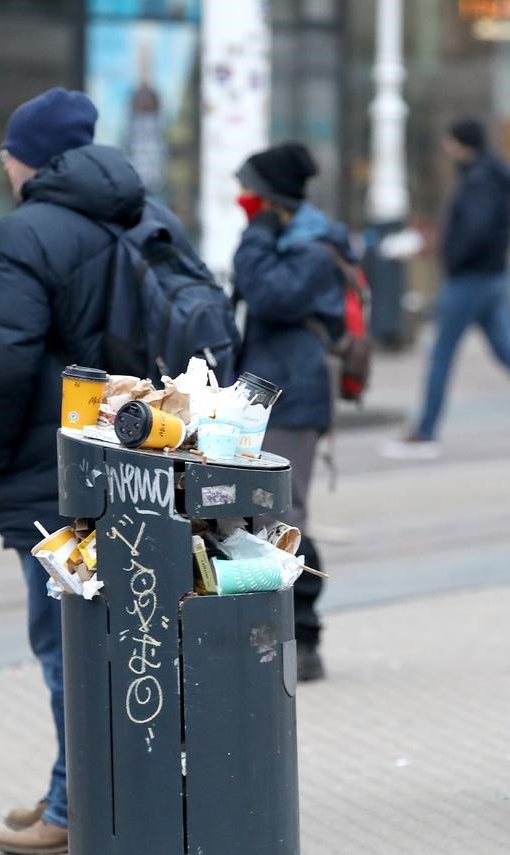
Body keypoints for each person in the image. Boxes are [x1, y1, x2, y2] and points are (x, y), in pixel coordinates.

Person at [0, 88, 194, 855]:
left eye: (5, 155)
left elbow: (3, 358)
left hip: (53, 460)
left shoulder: (28, 230)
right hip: (137, 451)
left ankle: (79, 804)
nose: (3, 167)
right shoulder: (144, 213)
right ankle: (75, 779)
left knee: (65, 636)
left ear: (29, 158)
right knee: (118, 629)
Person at [232, 142, 348, 683]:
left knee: (282, 518)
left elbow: (267, 294)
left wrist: (255, 237)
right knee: (260, 516)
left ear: (274, 199)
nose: (243, 202)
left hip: (295, 395)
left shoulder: (313, 247)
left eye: (251, 193)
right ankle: (270, 630)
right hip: (271, 392)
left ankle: (304, 637)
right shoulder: (286, 239)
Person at [384, 118, 510, 460]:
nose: (447, 149)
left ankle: (426, 430)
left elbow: (475, 231)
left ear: (461, 144)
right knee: (507, 352)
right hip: (490, 276)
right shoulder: (491, 177)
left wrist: (451, 255)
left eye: (450, 142)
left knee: (441, 354)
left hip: (469, 279)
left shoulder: (478, 181)